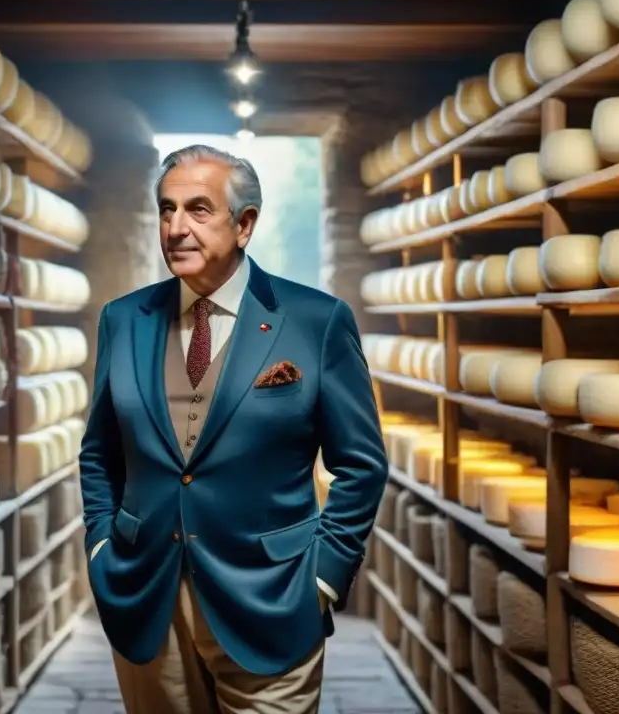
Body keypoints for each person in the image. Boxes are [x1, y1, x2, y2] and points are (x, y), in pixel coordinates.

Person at [79, 144, 388, 714]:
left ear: (244, 225)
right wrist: (100, 545)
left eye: (198, 209)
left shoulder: (316, 321)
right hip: (147, 597)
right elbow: (99, 453)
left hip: (273, 600)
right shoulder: (122, 320)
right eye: (166, 210)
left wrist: (322, 579)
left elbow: (363, 465)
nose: (176, 228)